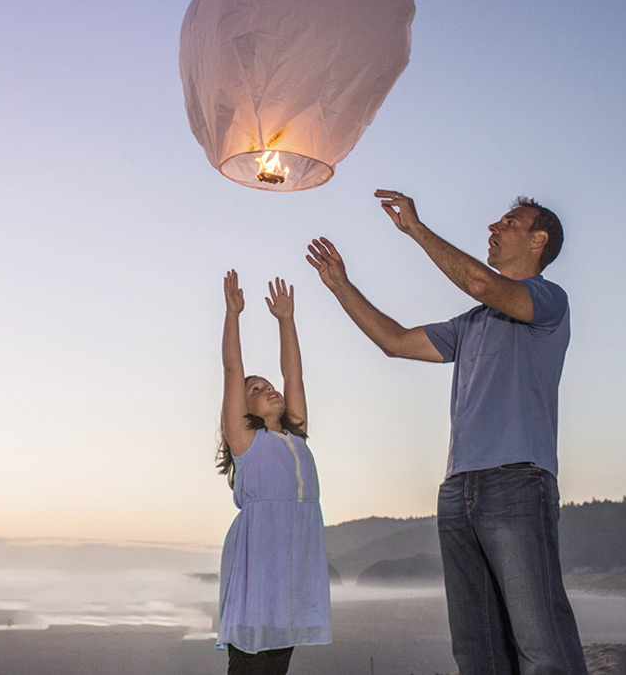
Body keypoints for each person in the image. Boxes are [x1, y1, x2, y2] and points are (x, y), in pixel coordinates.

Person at [306, 191, 587, 675]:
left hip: (518, 483)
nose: (493, 227)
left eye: (510, 222)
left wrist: (415, 229)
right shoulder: (471, 324)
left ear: (538, 240)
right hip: (459, 491)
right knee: (477, 651)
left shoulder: (548, 300)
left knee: (543, 648)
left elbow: (481, 282)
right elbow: (394, 342)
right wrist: (339, 285)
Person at [216, 270, 332, 675]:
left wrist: (287, 321)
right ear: (243, 410)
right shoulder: (247, 441)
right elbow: (233, 371)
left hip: (293, 564)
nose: (268, 388)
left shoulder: (296, 437)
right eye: (256, 390)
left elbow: (293, 375)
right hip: (259, 565)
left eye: (267, 384)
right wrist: (233, 314)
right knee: (249, 663)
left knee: (277, 663)